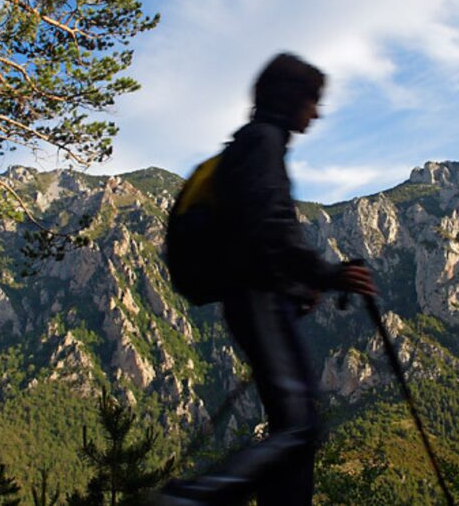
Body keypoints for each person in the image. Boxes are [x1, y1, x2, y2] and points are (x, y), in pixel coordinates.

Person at [157, 53, 377, 505]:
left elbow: (253, 235)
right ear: (291, 98)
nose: (316, 112)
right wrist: (328, 274)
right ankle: (194, 498)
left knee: (293, 430)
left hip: (258, 296)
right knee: (299, 429)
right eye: (313, 101)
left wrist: (299, 285)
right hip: (257, 300)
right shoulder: (261, 143)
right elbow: (268, 230)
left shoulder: (255, 143)